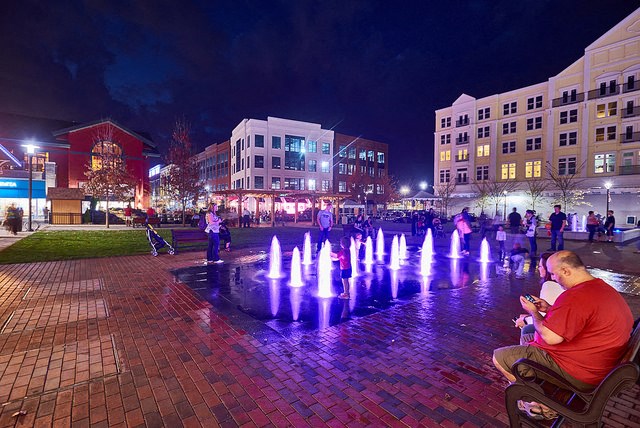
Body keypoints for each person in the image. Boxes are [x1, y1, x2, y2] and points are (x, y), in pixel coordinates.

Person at [493, 251, 633, 418]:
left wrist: (533, 312)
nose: (552, 278)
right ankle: (529, 373)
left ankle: (538, 404)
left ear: (566, 271)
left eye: (553, 273)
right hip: (595, 362)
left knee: (499, 357)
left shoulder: (576, 296)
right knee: (529, 331)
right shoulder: (598, 288)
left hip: (579, 372)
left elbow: (550, 337)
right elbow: (583, 319)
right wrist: (549, 308)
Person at [513, 252, 564, 345]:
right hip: (558, 327)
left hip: (554, 334)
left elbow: (544, 320)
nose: (538, 268)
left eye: (540, 266)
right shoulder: (562, 285)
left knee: (526, 329)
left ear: (548, 269)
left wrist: (525, 320)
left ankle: (526, 356)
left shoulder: (549, 285)